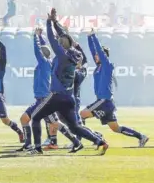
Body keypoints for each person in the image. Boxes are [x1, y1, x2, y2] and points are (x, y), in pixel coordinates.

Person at [27, 8, 108, 155]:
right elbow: (63, 37)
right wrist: (55, 21)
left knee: (35, 117)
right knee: (75, 127)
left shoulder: (62, 56)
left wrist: (48, 22)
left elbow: (53, 39)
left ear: (61, 45)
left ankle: (37, 148)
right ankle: (99, 141)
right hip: (69, 98)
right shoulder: (74, 55)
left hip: (56, 96)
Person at [79, 29, 149, 147]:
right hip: (106, 102)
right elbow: (93, 51)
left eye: (98, 55)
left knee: (82, 114)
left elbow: (99, 52)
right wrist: (89, 37)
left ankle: (82, 140)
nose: (95, 57)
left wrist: (94, 36)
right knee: (116, 128)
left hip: (103, 100)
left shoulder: (107, 65)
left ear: (104, 56)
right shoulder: (99, 66)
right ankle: (141, 137)